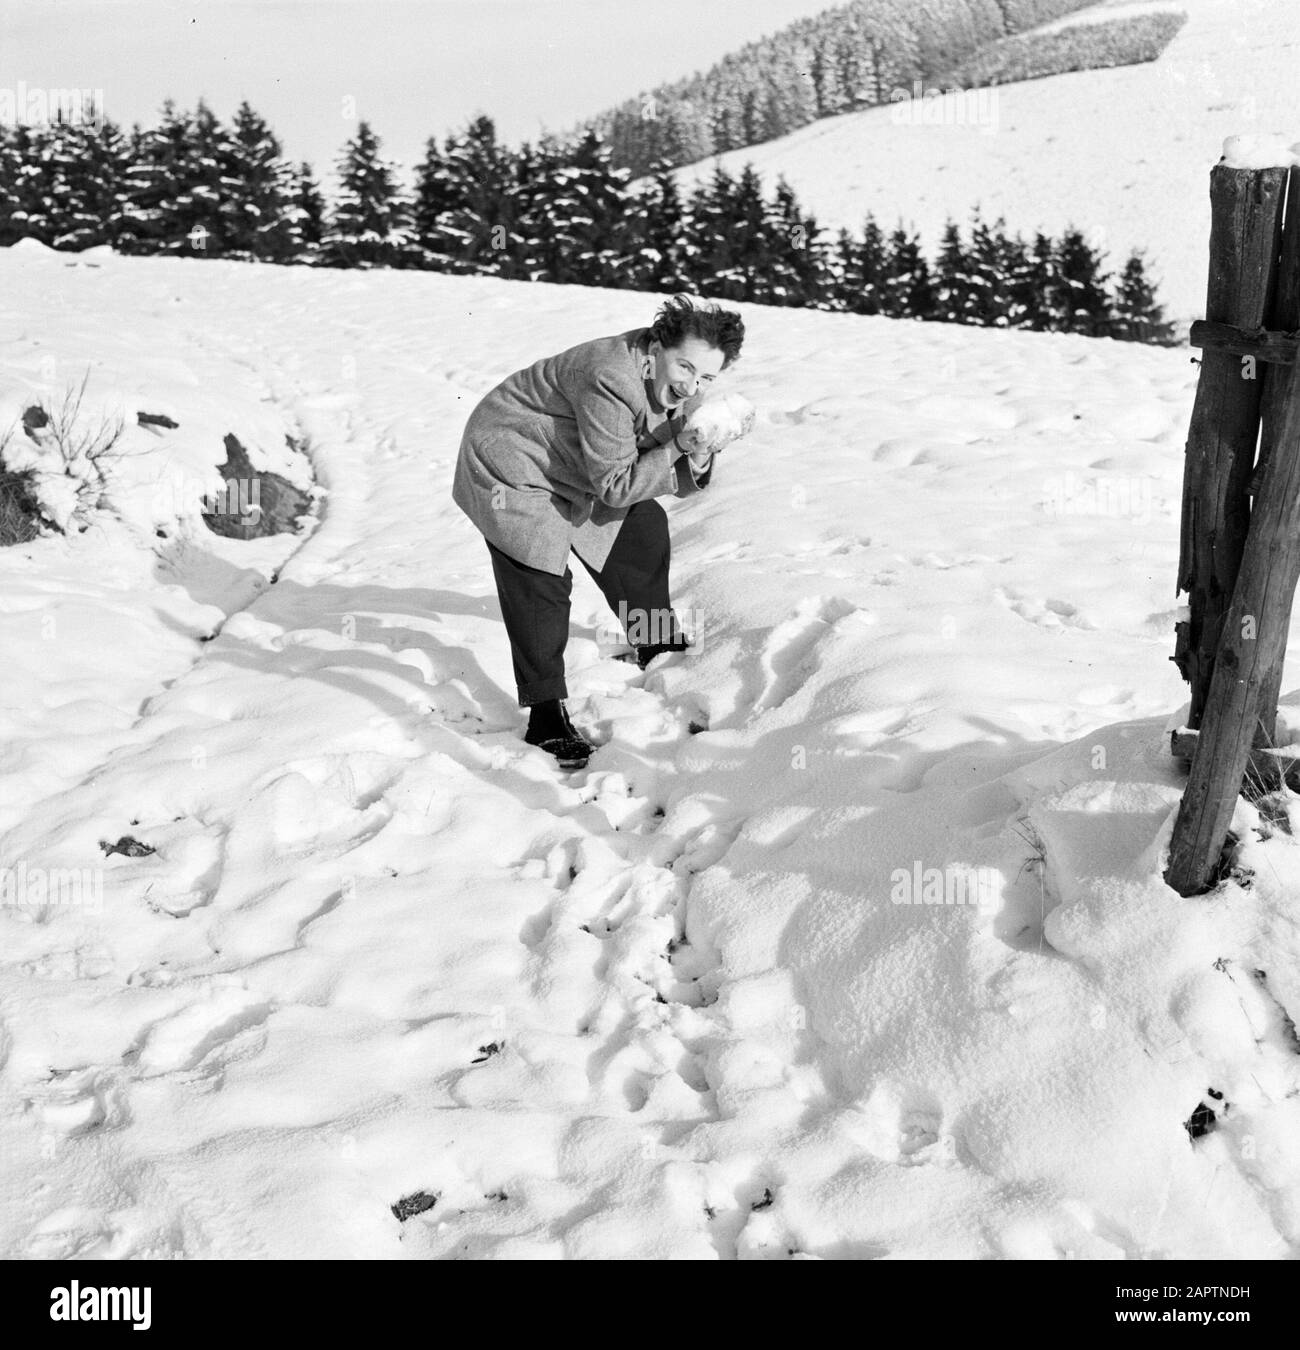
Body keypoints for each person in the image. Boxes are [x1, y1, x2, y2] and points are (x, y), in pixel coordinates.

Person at [452, 293, 748, 768]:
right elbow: (616, 484)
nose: (693, 385)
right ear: (656, 347)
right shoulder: (610, 376)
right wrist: (678, 448)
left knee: (642, 527)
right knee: (540, 573)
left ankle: (654, 639)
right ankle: (545, 717)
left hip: (573, 461)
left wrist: (700, 448)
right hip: (510, 458)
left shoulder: (670, 382)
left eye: (707, 376)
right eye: (686, 368)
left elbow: (649, 452)